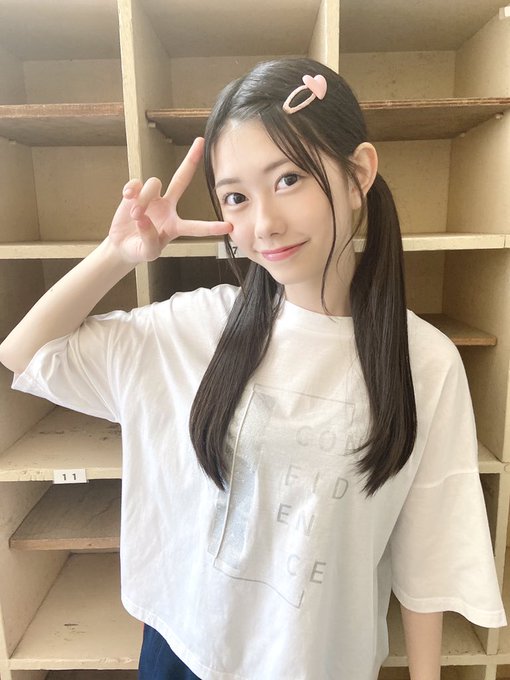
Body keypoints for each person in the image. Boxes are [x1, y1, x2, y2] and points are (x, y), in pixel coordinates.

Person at [0, 57, 506, 680]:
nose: (263, 223)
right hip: (184, 652)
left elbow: (428, 557)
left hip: (318, 664)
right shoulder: (193, 327)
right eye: (236, 197)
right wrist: (116, 254)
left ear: (358, 176)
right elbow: (25, 353)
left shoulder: (424, 361)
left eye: (289, 179)